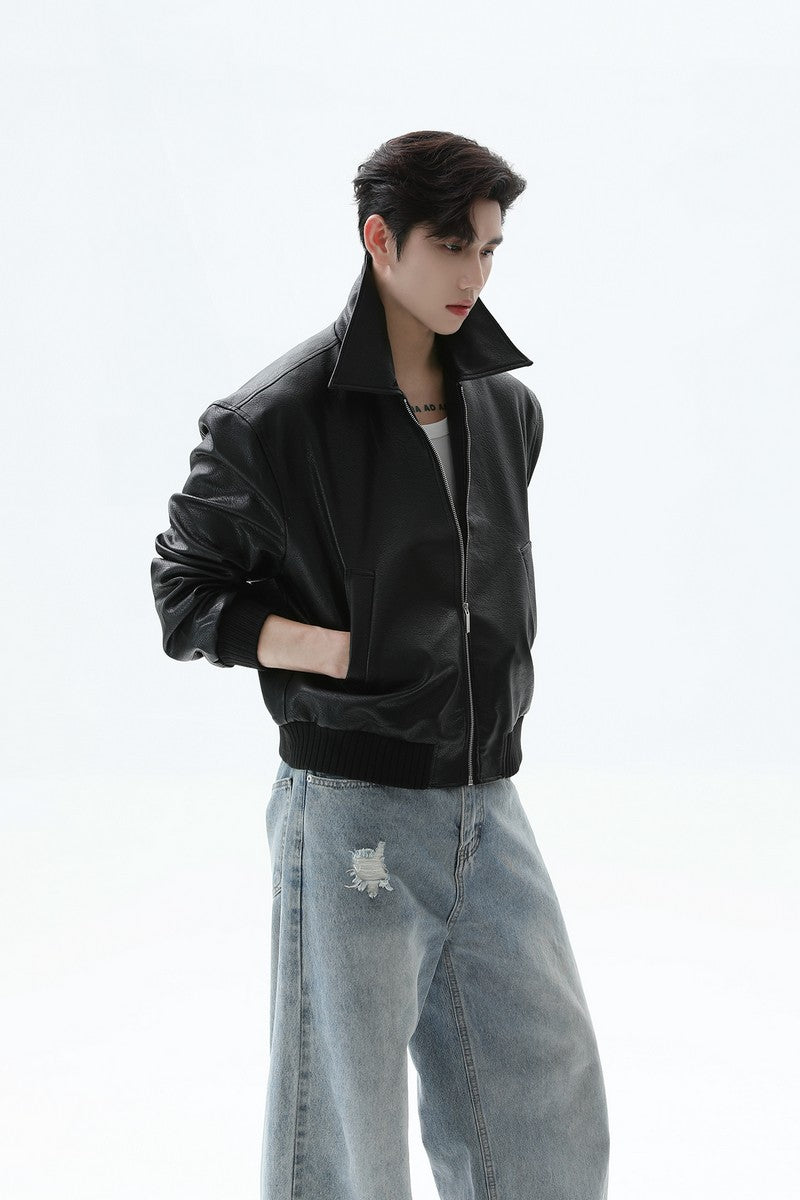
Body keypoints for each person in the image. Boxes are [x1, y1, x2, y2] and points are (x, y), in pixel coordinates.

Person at [151, 130, 610, 1200]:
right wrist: (338, 652)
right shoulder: (274, 419)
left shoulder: (506, 407)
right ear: (379, 239)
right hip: (350, 804)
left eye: (489, 249)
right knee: (343, 1128)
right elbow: (185, 593)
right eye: (450, 245)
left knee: (545, 1096)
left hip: (486, 800)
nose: (472, 275)